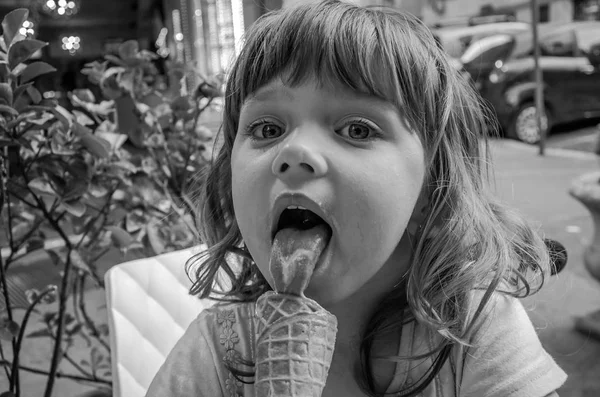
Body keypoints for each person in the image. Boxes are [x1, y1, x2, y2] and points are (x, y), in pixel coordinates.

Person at [145, 1, 567, 396]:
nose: (293, 153)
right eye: (268, 129)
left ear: (430, 189)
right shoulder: (216, 353)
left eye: (358, 129)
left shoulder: (475, 332)